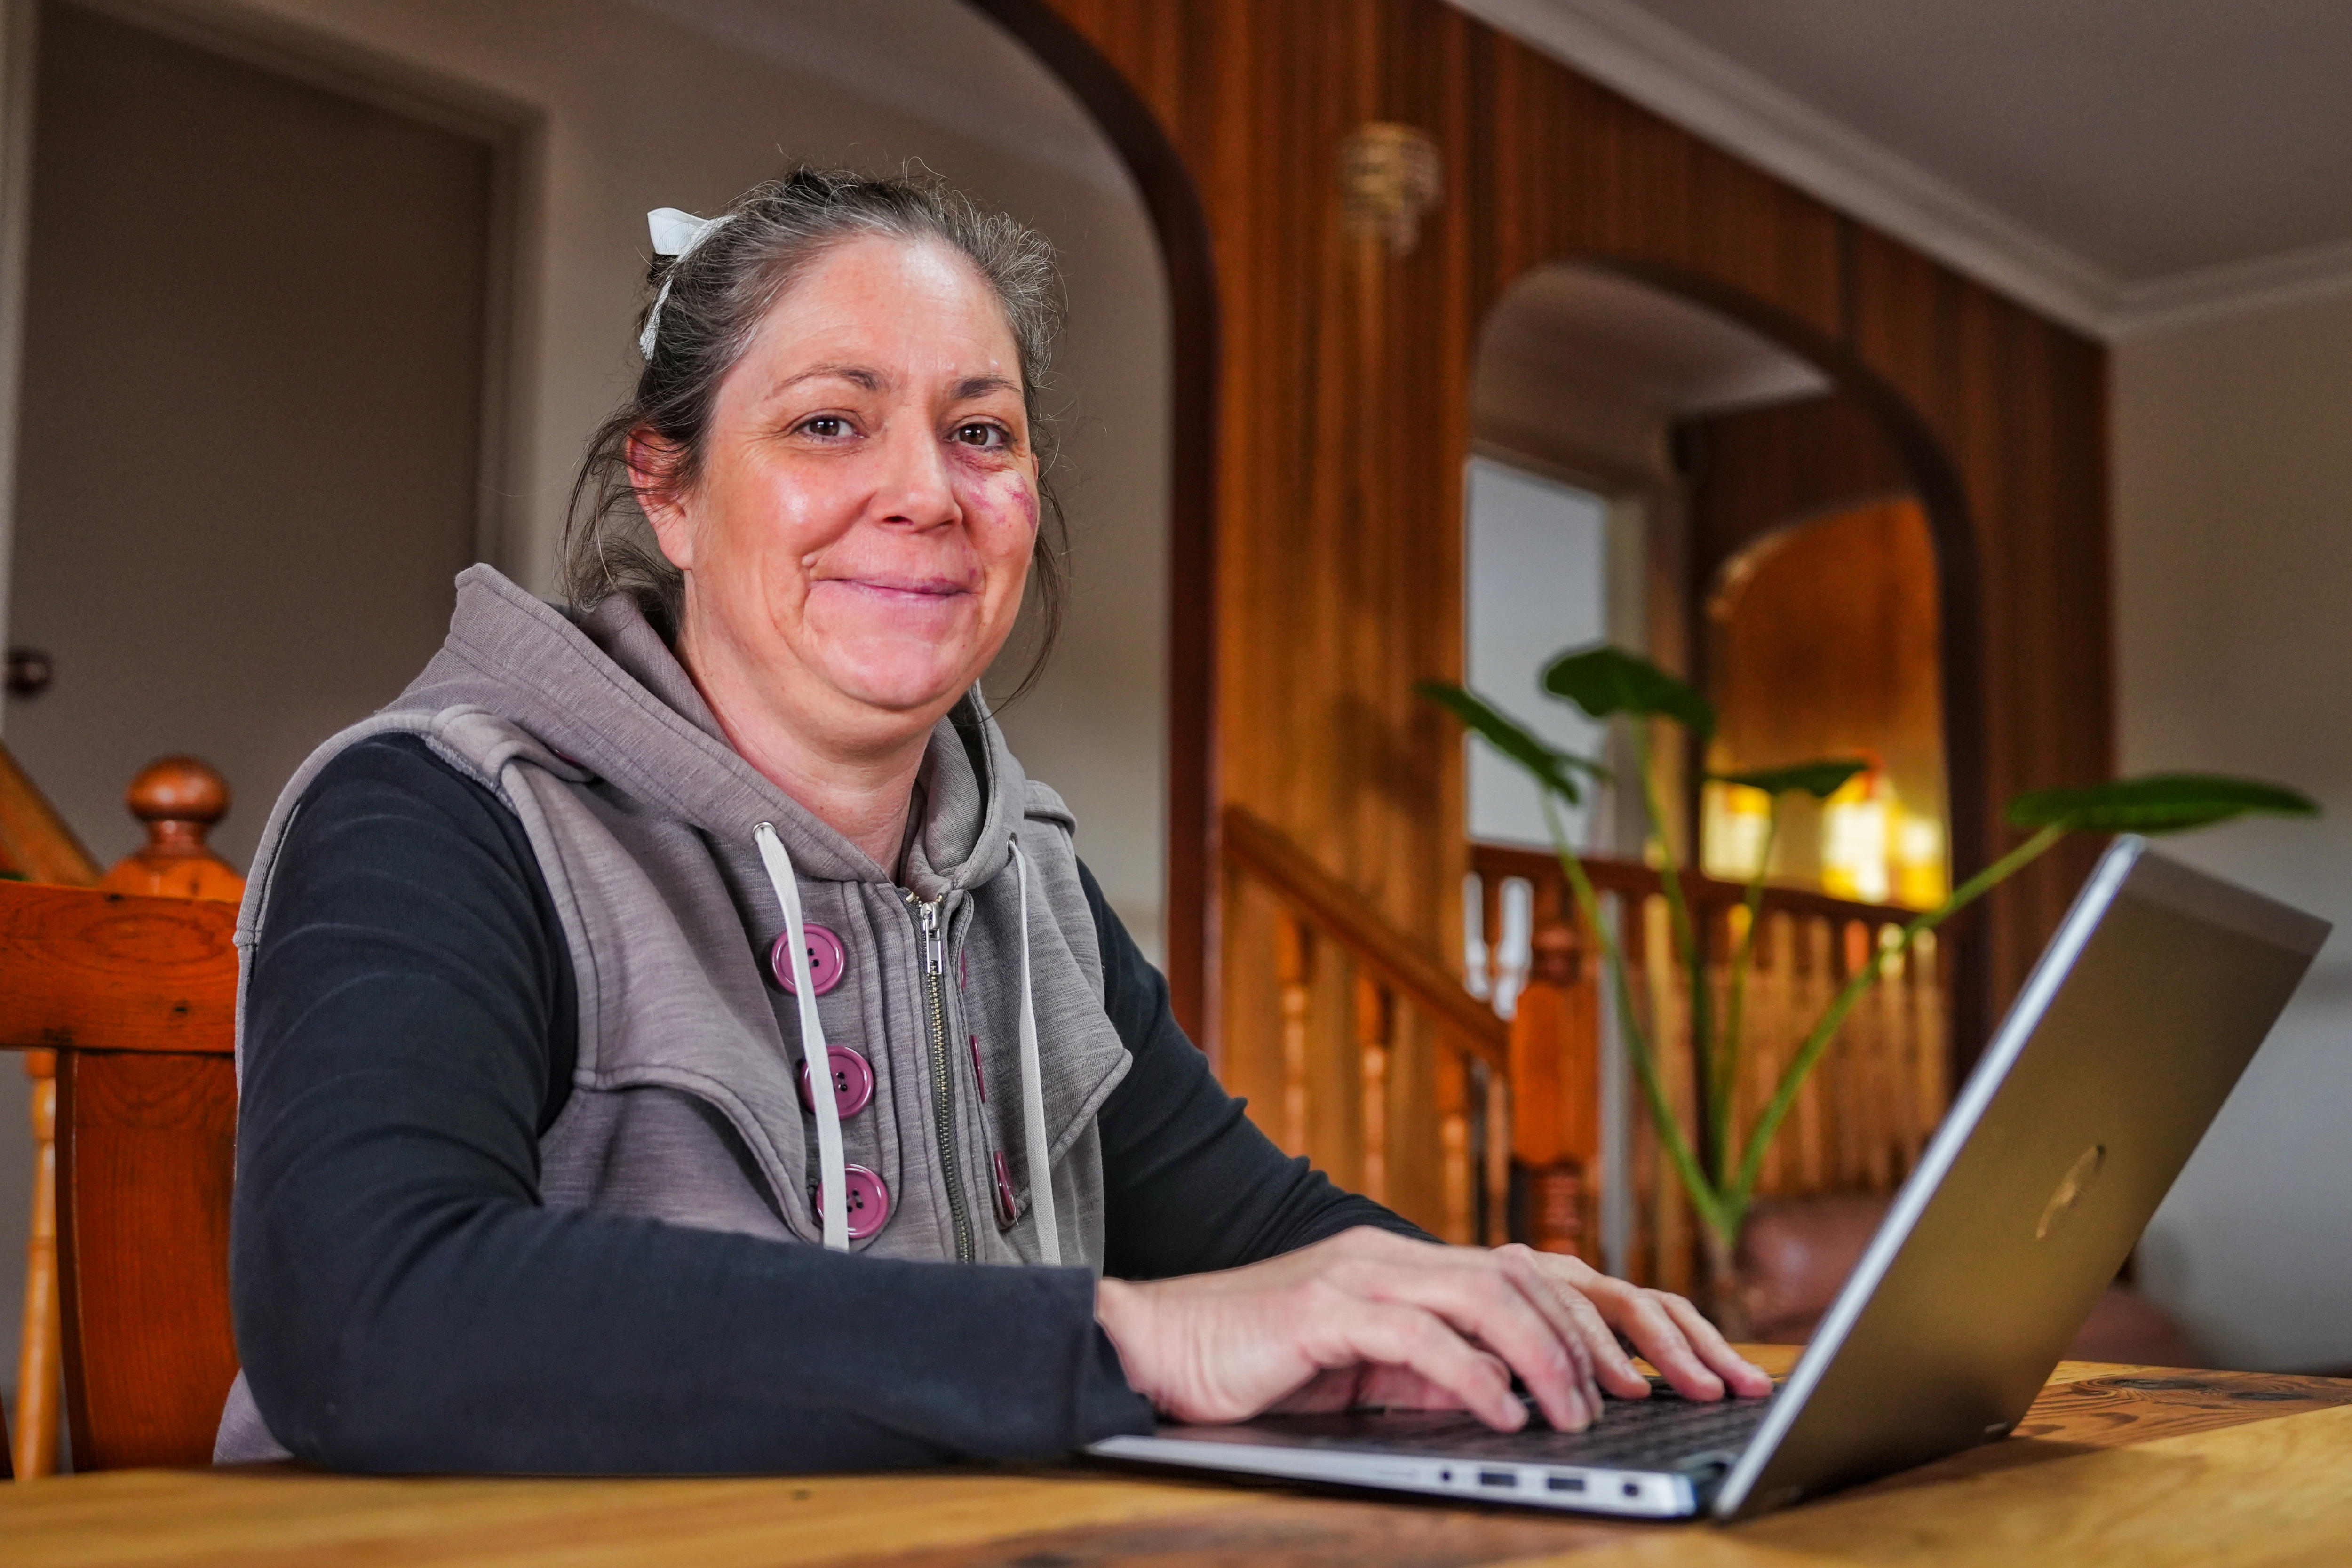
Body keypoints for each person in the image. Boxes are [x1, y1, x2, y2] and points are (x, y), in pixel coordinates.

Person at [216, 167, 1768, 1473]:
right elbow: (365, 1313)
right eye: (830, 423)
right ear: (670, 490)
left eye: (982, 432)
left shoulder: (1017, 867)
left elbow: (1248, 1229)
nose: (927, 494)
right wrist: (1134, 1340)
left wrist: (1474, 1306)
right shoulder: (436, 809)